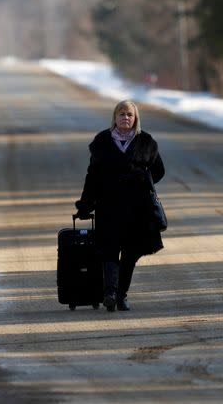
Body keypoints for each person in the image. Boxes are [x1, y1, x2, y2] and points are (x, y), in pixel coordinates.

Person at [75, 100, 166, 312]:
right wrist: (85, 204)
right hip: (109, 206)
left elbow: (159, 171)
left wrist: (142, 179)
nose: (126, 118)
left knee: (130, 254)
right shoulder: (102, 142)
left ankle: (121, 294)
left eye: (130, 115)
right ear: (114, 118)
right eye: (121, 114)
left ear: (136, 119)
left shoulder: (146, 142)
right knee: (109, 250)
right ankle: (110, 292)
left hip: (137, 209)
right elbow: (92, 177)